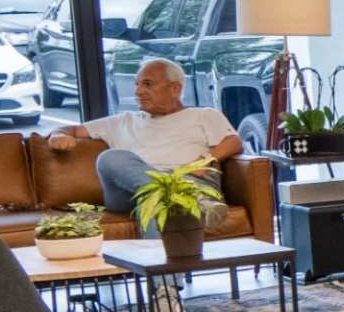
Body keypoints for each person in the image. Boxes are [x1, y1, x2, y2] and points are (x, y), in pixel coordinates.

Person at [85, 58, 243, 222]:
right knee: (109, 158)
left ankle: (171, 201)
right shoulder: (124, 121)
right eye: (136, 84)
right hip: (132, 192)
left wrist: (204, 161)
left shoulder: (204, 115)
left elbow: (233, 142)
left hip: (187, 181)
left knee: (153, 203)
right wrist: (66, 136)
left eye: (147, 84)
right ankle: (188, 202)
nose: (138, 91)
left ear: (175, 89)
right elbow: (74, 130)